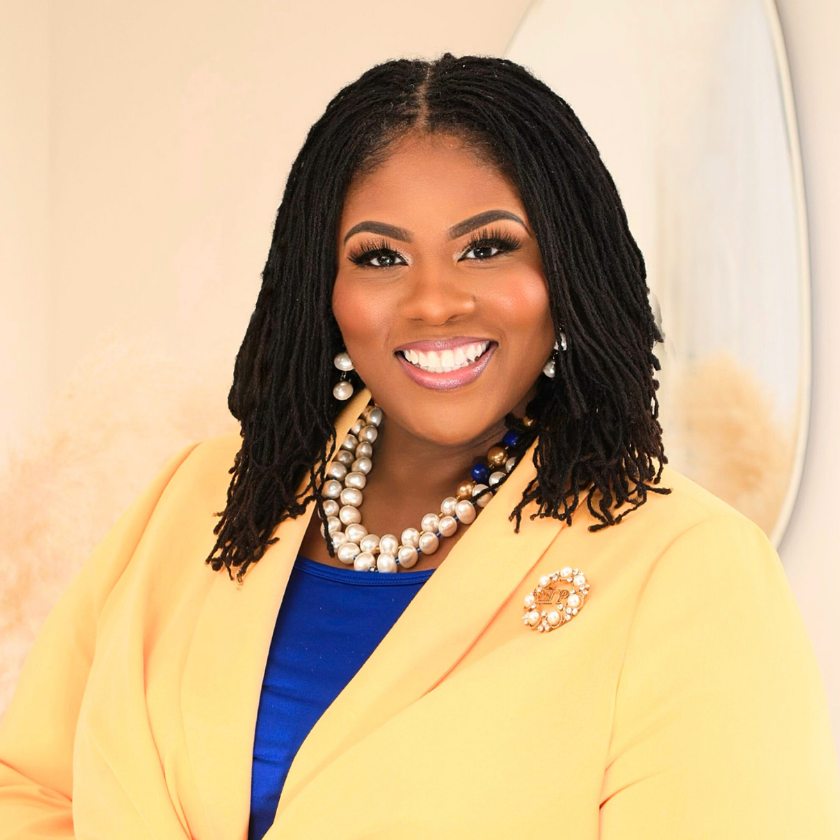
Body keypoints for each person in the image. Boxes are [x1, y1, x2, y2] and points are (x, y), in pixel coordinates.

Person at [1, 53, 839, 840]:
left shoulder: (691, 570)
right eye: (380, 256)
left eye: (486, 247)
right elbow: (29, 788)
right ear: (322, 288)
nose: (434, 301)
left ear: (570, 273)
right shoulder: (198, 498)